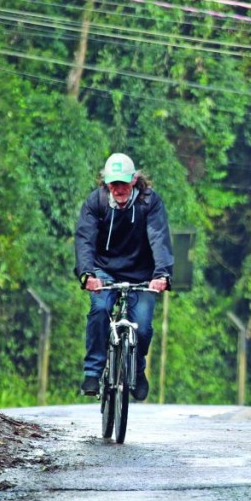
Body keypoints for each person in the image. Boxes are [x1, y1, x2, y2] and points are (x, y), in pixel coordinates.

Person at [74, 152, 173, 401]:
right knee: (99, 310)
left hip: (142, 274)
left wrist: (161, 274)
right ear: (106, 183)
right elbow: (85, 239)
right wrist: (87, 274)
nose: (119, 189)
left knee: (142, 327)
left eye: (123, 183)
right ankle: (92, 373)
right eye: (113, 184)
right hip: (104, 270)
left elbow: (159, 237)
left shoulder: (149, 202)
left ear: (134, 181)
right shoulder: (95, 202)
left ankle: (138, 370)